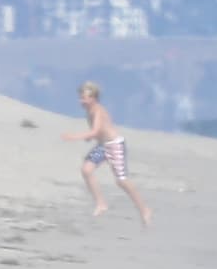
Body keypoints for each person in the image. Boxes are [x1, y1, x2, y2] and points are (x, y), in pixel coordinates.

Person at [62, 82, 153, 225]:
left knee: (121, 181)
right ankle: (101, 203)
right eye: (80, 98)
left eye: (84, 98)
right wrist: (90, 138)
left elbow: (96, 130)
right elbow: (98, 133)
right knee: (86, 169)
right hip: (103, 146)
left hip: (115, 145)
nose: (81, 101)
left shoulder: (98, 110)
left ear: (93, 98)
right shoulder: (89, 112)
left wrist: (74, 137)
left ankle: (144, 209)